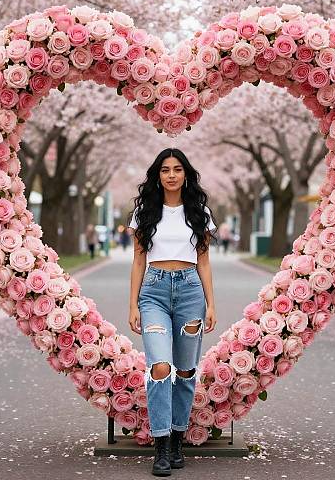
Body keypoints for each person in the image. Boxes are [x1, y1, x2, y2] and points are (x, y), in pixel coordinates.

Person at [127, 148, 217, 477]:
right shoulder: (145, 211)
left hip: (191, 291)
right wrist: (133, 304)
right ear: (158, 175)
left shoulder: (199, 212)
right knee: (159, 367)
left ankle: (178, 436)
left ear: (185, 174)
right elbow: (138, 260)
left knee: (186, 370)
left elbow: (204, 261)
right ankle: (161, 444)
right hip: (154, 291)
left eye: (177, 169)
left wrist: (211, 302)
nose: (171, 175)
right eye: (165, 170)